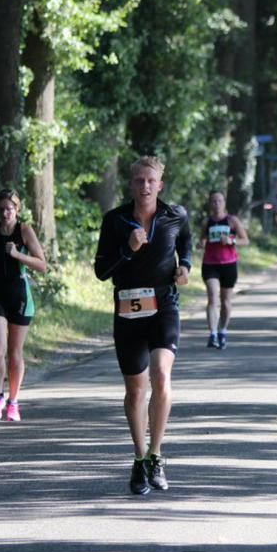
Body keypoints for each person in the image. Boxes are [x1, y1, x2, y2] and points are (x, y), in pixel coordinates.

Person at [93, 156, 192, 495]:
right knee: (136, 390)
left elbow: (186, 245)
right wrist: (127, 248)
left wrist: (186, 267)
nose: (145, 186)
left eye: (151, 181)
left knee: (161, 375)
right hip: (128, 310)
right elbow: (102, 271)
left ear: (160, 184)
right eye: (139, 181)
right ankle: (139, 459)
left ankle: (157, 454)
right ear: (131, 184)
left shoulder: (175, 215)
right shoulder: (115, 220)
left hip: (164, 305)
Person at [0, 189, 49, 422]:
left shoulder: (24, 230)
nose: (6, 212)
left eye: (10, 208)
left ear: (17, 209)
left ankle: (14, 402)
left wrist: (18, 255)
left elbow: (42, 265)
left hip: (19, 294)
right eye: (2, 209)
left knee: (14, 353)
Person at [199, 190, 250, 349]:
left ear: (224, 202)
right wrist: (201, 243)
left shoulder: (232, 220)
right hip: (210, 264)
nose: (216, 204)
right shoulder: (207, 221)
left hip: (229, 264)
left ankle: (223, 330)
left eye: (219, 201)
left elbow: (245, 240)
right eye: (213, 201)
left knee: (225, 301)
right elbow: (202, 238)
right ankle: (212, 334)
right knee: (213, 298)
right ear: (210, 203)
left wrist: (231, 240)